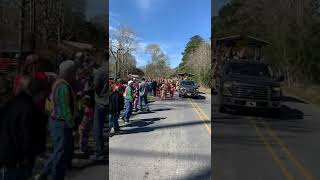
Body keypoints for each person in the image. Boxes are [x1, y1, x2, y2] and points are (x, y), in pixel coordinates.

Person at [0, 77, 47, 180]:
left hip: (7, 153)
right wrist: (28, 155)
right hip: (17, 158)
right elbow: (27, 135)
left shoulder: (12, 104)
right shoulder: (29, 109)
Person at [38, 60, 77, 180]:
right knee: (60, 153)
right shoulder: (63, 86)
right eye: (73, 73)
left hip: (56, 121)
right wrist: (72, 126)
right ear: (68, 73)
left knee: (58, 151)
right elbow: (65, 109)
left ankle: (44, 173)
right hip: (61, 123)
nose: (75, 76)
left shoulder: (58, 83)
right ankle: (54, 176)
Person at [92, 63, 108, 160]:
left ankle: (99, 152)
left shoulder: (101, 71)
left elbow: (96, 86)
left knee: (97, 128)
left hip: (101, 102)